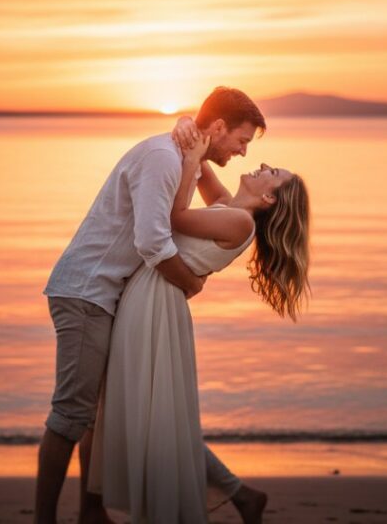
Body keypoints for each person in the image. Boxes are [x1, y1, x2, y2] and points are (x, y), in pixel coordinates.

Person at [35, 88, 267, 524]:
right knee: (71, 414)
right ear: (217, 127)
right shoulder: (164, 158)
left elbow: (190, 214)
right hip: (87, 291)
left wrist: (190, 145)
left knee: (94, 416)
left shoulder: (181, 160)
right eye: (242, 140)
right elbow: (152, 240)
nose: (242, 152)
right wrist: (191, 284)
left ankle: (91, 511)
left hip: (108, 294)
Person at [89, 130, 311, 523]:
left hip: (154, 303)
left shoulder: (240, 223)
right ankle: (241, 495)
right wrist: (188, 123)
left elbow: (171, 217)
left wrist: (190, 161)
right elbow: (203, 147)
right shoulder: (228, 207)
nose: (260, 164)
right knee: (154, 410)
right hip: (154, 297)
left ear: (269, 198)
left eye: (271, 172)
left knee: (151, 411)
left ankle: (216, 498)